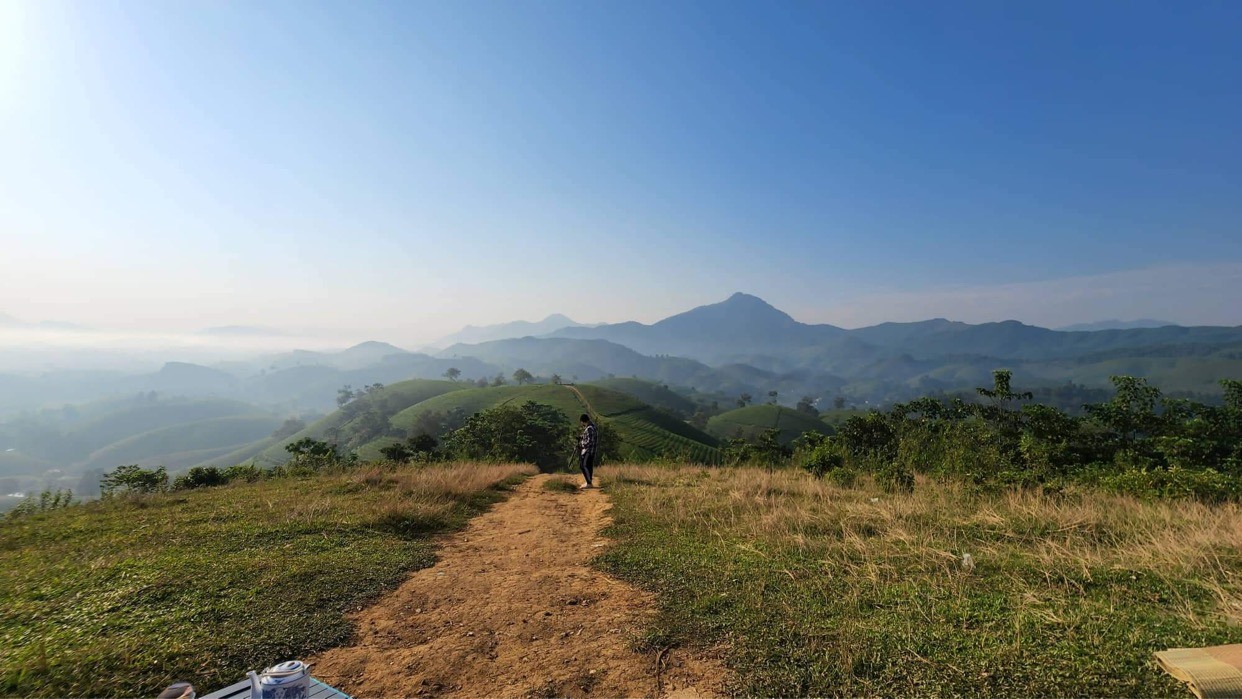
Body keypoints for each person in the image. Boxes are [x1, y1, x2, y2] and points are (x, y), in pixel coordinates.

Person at [577, 413, 597, 489]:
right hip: (591, 451)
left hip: (588, 451)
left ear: (583, 421)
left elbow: (590, 441)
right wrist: (582, 437)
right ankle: (589, 481)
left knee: (583, 465)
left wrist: (582, 444)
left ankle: (589, 483)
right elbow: (589, 437)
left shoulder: (589, 428)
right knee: (589, 466)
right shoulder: (593, 427)